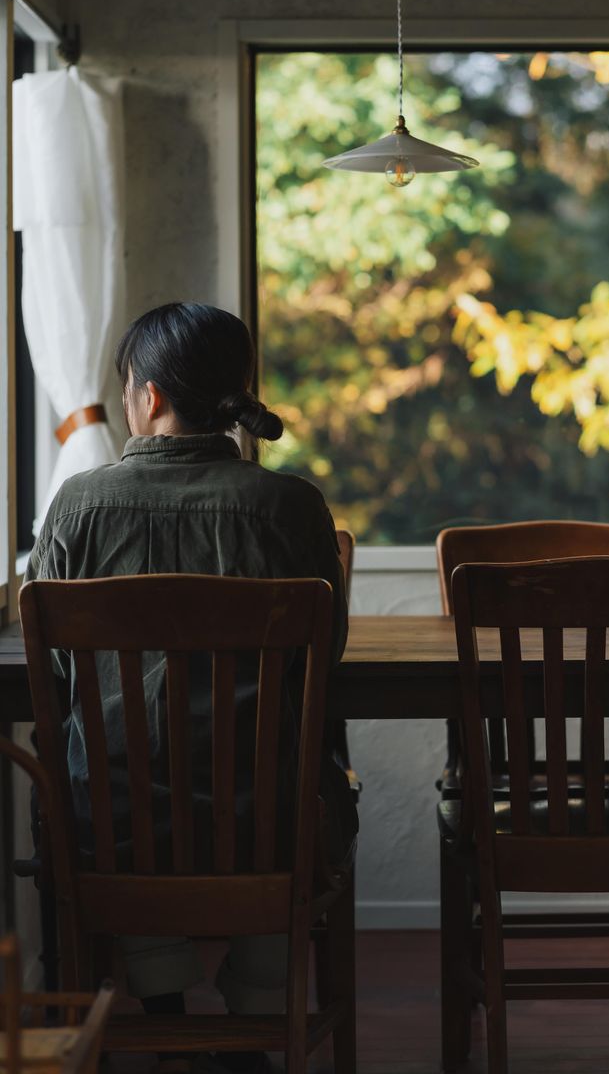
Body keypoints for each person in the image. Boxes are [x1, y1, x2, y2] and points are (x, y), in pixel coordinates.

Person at [25, 302, 356, 1074]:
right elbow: (327, 655)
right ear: (238, 393)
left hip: (115, 835)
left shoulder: (77, 506)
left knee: (117, 788)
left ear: (147, 398)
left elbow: (59, 679)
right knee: (287, 784)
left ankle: (167, 1011)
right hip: (266, 825)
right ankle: (254, 1017)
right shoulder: (290, 507)